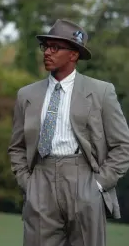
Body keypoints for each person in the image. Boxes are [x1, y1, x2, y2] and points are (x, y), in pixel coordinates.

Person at [8, 19, 129, 246]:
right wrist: (28, 183)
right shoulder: (27, 95)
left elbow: (123, 146)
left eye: (55, 48)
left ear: (73, 55)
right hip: (40, 181)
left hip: (84, 178)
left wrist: (98, 185)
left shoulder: (101, 92)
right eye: (46, 47)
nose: (47, 53)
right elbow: (16, 146)